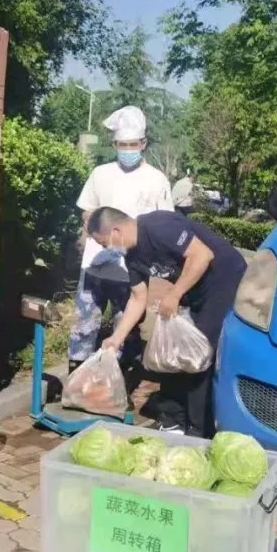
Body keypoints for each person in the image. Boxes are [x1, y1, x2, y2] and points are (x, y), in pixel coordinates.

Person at [89, 206, 247, 437]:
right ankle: (174, 419)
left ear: (115, 231)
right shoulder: (132, 257)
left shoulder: (158, 226)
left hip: (224, 279)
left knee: (198, 354)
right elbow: (138, 297)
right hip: (194, 290)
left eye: (104, 243)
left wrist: (174, 295)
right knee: (172, 352)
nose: (107, 249)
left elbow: (202, 255)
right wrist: (116, 338)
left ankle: (198, 429)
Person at [69, 106, 173, 374]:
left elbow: (165, 224)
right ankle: (77, 380)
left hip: (132, 270)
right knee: (83, 326)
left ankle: (119, 386)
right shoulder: (100, 174)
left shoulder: (156, 179)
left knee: (125, 329)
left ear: (143, 144)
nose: (128, 149)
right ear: (114, 144)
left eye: (133, 144)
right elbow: (87, 211)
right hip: (94, 264)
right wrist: (94, 237)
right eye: (122, 144)